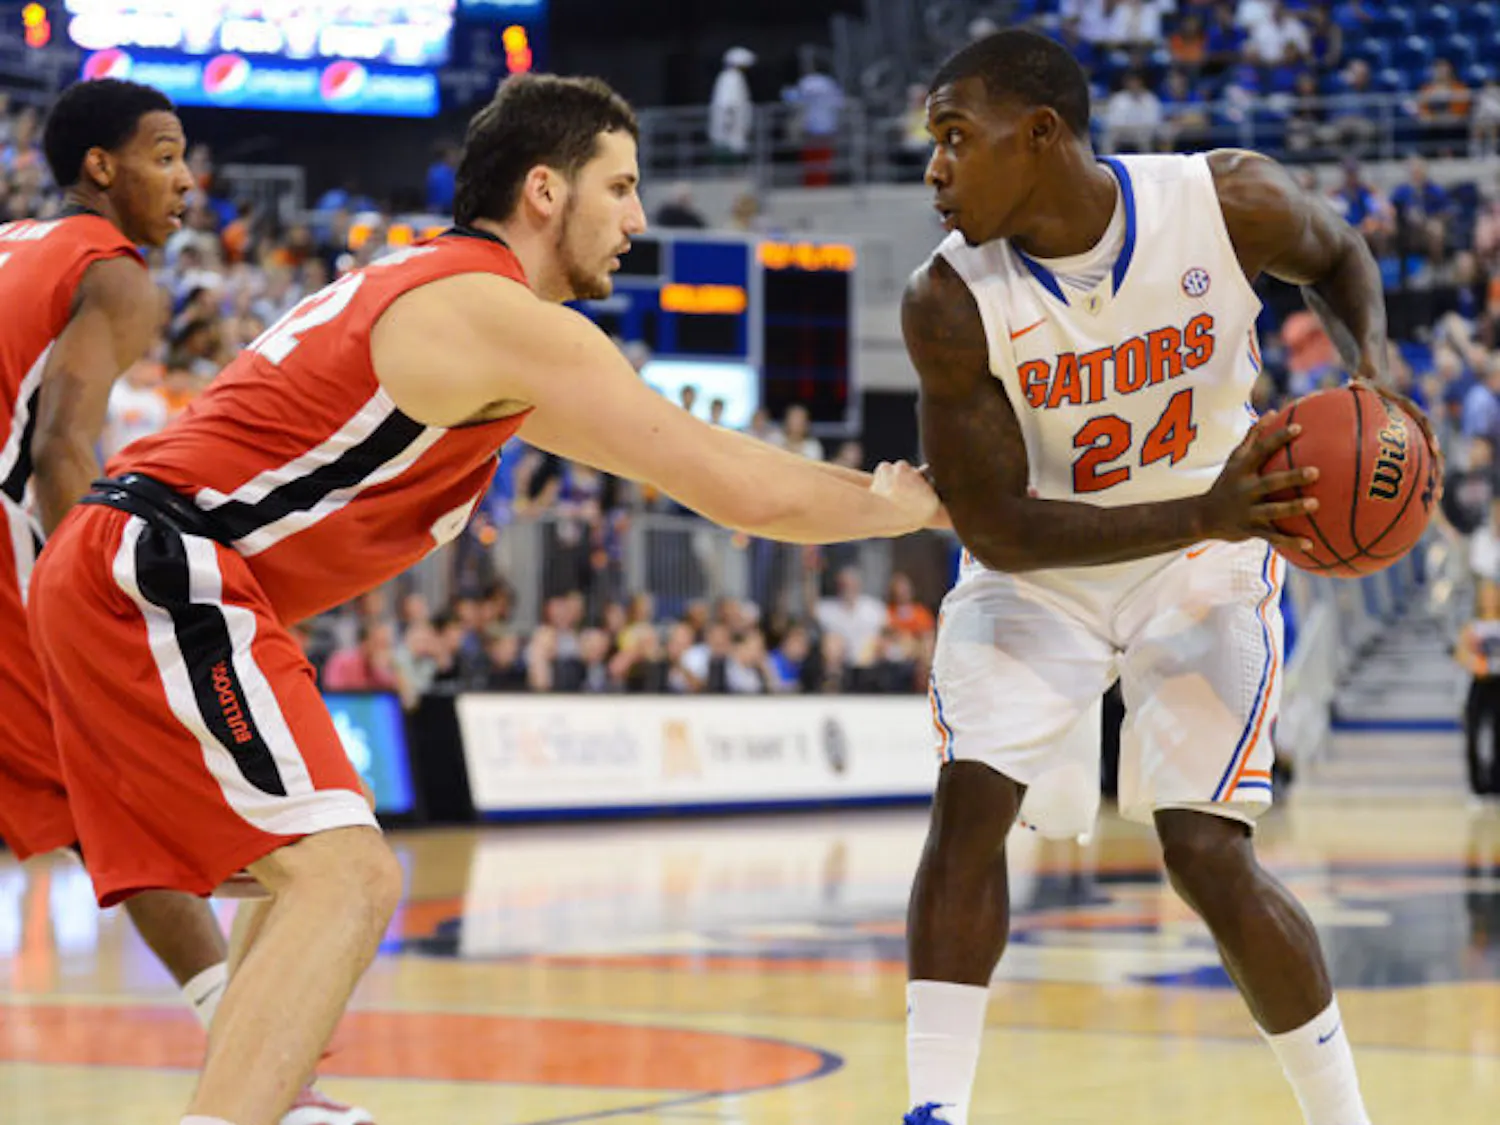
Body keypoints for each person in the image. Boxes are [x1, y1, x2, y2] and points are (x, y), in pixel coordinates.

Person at [26, 72, 940, 1125]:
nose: (639, 219)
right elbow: (733, 486)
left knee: (312, 871)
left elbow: (698, 453)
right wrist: (902, 508)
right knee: (347, 877)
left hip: (136, 565)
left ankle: (273, 1103)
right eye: (622, 187)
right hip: (157, 566)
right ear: (545, 192)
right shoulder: (496, 313)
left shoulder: (437, 295)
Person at [899, 30, 1436, 1125]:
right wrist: (1207, 506)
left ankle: (1344, 1119)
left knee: (1203, 849)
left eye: (957, 137)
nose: (935, 169)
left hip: (1204, 552)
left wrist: (1374, 370)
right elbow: (997, 528)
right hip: (1049, 559)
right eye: (932, 144)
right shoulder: (947, 301)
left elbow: (1338, 255)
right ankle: (934, 1112)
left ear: (1040, 134)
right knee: (970, 805)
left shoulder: (1224, 202)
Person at [0, 79, 372, 1124]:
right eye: (163, 154)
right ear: (100, 168)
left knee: (86, 810)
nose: (186, 179)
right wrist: (99, 593)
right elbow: (64, 450)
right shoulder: (111, 272)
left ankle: (268, 1072)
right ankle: (271, 1082)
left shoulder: (13, 242)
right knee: (109, 798)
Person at [1457, 579, 1500, 800]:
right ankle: (1477, 785)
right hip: (1480, 682)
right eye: (1486, 595)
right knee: (1473, 732)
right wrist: (1474, 663)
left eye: (1494, 594)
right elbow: (1461, 653)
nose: (1490, 598)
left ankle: (1496, 784)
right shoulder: (1473, 626)